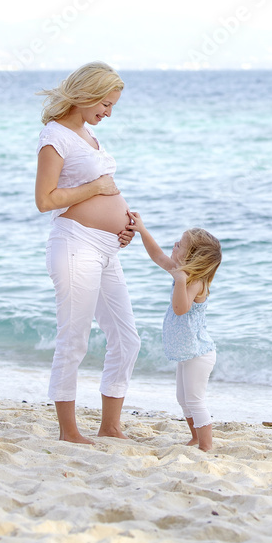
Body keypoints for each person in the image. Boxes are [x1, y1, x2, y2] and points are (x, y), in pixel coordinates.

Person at [34, 61, 142, 445]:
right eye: (106, 104)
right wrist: (97, 190)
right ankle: (68, 431)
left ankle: (110, 426)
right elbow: (45, 200)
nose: (108, 113)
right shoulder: (55, 137)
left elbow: (102, 187)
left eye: (112, 106)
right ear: (87, 94)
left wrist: (124, 226)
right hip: (75, 244)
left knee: (127, 339)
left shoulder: (86, 134)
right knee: (74, 338)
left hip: (106, 249)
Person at [131, 213, 222, 451]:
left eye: (180, 245)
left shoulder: (195, 282)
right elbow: (157, 255)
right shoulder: (180, 272)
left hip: (198, 354)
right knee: (183, 399)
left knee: (195, 399)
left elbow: (180, 309)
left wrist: (180, 281)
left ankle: (206, 445)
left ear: (191, 257)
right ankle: (194, 437)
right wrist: (142, 229)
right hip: (187, 352)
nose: (174, 245)